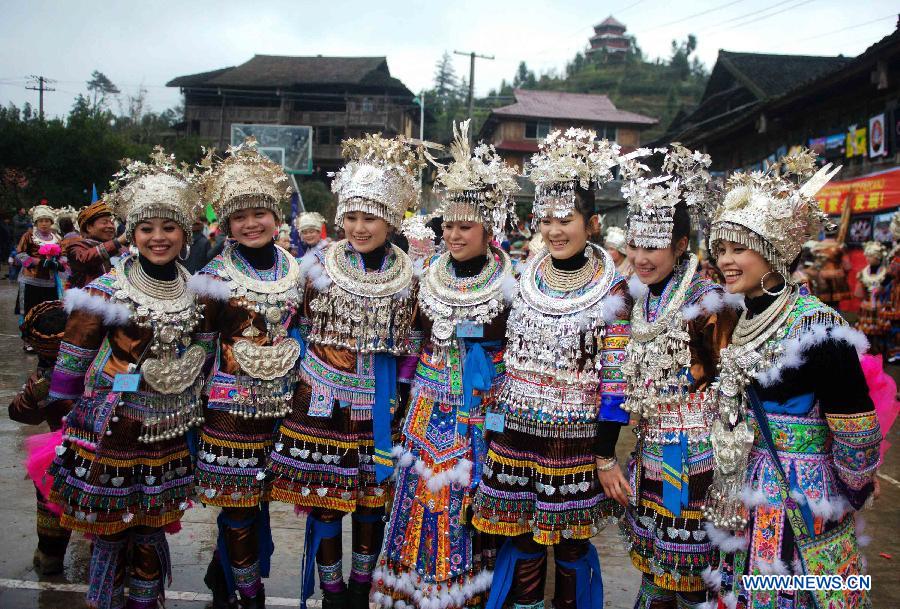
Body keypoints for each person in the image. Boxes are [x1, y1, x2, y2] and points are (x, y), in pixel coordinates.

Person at [704, 150, 880, 609]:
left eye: (738, 249)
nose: (725, 260)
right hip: (742, 493)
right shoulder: (741, 318)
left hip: (802, 498)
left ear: (773, 252)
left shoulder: (818, 327)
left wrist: (854, 487)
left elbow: (857, 432)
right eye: (720, 249)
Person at [471, 128, 632, 609]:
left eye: (566, 219)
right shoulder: (522, 279)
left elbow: (615, 383)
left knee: (569, 543)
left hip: (575, 442)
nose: (555, 230)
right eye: (546, 220)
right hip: (514, 433)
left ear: (593, 222)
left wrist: (605, 454)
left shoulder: (614, 292)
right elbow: (494, 339)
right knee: (519, 538)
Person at [265, 133, 427, 609]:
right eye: (351, 217)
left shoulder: (414, 276)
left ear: (391, 220)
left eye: (371, 217)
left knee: (373, 503)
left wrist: (398, 395)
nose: (360, 227)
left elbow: (416, 345)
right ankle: (332, 591)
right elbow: (289, 321)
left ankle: (361, 586)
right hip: (321, 404)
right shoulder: (316, 265)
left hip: (381, 409)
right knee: (327, 501)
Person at [45, 148, 207, 609]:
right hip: (112, 428)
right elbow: (69, 368)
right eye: (146, 228)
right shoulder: (105, 290)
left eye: (169, 227)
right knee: (111, 533)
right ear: (131, 234)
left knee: (152, 532)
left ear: (185, 232)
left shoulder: (192, 288)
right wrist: (64, 421)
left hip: (170, 431)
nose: (158, 238)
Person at [374, 120, 520, 609]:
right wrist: (396, 408)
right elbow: (412, 349)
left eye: (466, 226)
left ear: (489, 228)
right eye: (449, 226)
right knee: (418, 500)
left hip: (482, 415)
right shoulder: (427, 277)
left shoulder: (512, 285)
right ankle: (413, 593)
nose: (454, 235)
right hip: (426, 410)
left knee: (472, 503)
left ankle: (468, 596)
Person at [618, 145, 738, 608]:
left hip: (698, 459)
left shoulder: (710, 303)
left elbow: (732, 388)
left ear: (681, 246)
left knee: (692, 576)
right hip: (654, 447)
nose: (641, 257)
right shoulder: (641, 297)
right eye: (635, 244)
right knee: (657, 571)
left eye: (653, 247)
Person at [188, 139, 298, 609]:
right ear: (227, 225)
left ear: (277, 219)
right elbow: (197, 346)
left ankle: (224, 574)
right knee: (238, 507)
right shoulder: (212, 276)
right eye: (239, 217)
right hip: (231, 409)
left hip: (291, 407)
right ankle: (248, 596)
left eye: (260, 214)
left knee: (263, 500)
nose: (251, 224)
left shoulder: (301, 270)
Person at [9, 300, 72, 575]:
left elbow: (22, 414)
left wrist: (31, 397)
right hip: (96, 448)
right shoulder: (101, 363)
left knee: (51, 505)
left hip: (57, 450)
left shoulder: (42, 378)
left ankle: (49, 555)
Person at [15, 204, 64, 330]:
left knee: (48, 311)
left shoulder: (57, 238)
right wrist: (36, 262)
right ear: (36, 222)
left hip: (50, 281)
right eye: (41, 221)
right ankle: (28, 339)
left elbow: (62, 257)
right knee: (29, 310)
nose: (44, 224)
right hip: (31, 279)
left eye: (47, 221)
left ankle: (44, 339)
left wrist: (58, 264)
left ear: (51, 222)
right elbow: (20, 253)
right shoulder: (29, 236)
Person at [65, 199, 128, 289]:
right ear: (89, 227)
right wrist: (118, 242)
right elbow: (83, 259)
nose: (110, 226)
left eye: (112, 222)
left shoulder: (122, 248)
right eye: (105, 222)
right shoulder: (76, 246)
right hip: (89, 298)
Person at [854, 241, 890, 355]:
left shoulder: (886, 274)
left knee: (882, 333)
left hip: (881, 306)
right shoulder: (863, 273)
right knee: (866, 333)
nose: (868, 258)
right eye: (867, 256)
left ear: (878, 257)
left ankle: (883, 352)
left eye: (871, 256)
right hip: (867, 307)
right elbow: (858, 294)